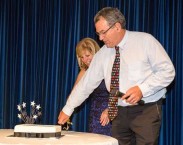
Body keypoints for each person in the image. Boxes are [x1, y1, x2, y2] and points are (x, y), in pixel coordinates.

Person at [58, 7, 175, 145]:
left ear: (117, 27)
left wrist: (142, 89)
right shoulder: (102, 54)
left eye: (103, 33)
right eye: (98, 34)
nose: (100, 38)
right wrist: (68, 108)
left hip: (146, 109)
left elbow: (167, 71)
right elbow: (86, 84)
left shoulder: (145, 41)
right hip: (118, 112)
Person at [70, 38, 111, 135]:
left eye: (87, 55)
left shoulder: (108, 66)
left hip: (114, 111)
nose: (85, 60)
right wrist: (67, 108)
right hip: (96, 117)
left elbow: (121, 92)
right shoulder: (84, 72)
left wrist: (110, 108)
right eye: (81, 57)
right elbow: (74, 94)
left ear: (96, 52)